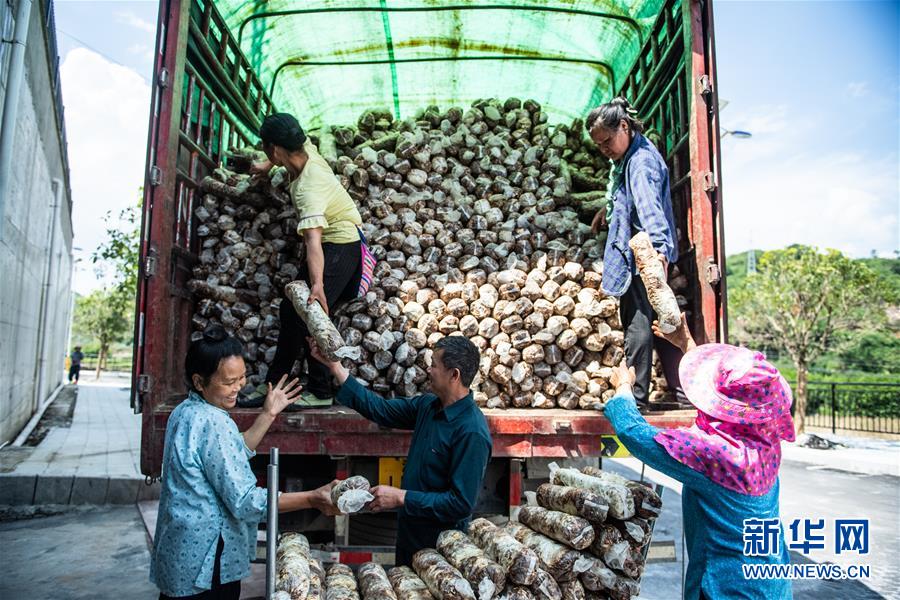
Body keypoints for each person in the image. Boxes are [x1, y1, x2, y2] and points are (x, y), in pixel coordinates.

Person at [603, 314, 794, 600]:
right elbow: (724, 397)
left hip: (727, 589)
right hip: (772, 585)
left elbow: (633, 433)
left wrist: (623, 389)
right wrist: (686, 344)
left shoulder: (713, 454)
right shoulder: (766, 440)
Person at [150, 326, 339, 600]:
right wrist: (312, 498)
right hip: (206, 558)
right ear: (199, 381)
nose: (238, 387)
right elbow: (246, 501)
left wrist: (268, 413)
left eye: (241, 378)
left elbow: (232, 451)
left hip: (182, 552)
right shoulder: (214, 423)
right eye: (229, 382)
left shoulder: (185, 411)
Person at [309, 335, 493, 567]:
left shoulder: (472, 432)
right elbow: (380, 410)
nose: (428, 370)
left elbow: (460, 504)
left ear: (454, 375)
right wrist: (335, 367)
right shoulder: (428, 406)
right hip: (409, 536)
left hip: (441, 550)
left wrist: (401, 497)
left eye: (434, 365)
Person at [239, 112, 366, 408]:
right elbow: (281, 149)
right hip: (333, 244)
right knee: (291, 311)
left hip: (340, 246)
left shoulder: (310, 187)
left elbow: (313, 241)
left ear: (273, 148)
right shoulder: (303, 148)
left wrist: (317, 285)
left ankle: (320, 392)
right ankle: (275, 385)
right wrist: (266, 166)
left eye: (267, 151)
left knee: (311, 314)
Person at [586, 97, 682, 410]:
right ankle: (672, 390)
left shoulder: (640, 164)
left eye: (607, 141)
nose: (604, 149)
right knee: (653, 321)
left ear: (624, 126)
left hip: (644, 259)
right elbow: (626, 198)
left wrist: (659, 256)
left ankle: (637, 398)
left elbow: (649, 209)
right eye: (598, 145)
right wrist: (608, 210)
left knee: (638, 325)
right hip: (643, 257)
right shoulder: (629, 158)